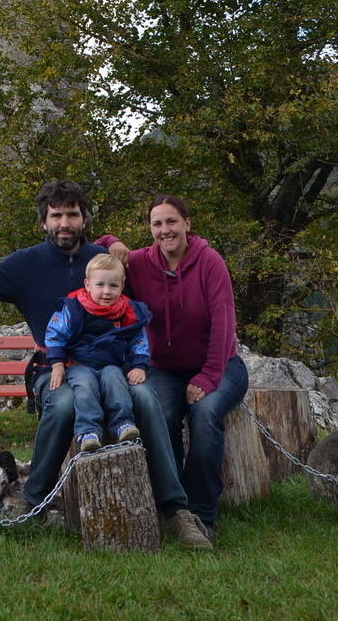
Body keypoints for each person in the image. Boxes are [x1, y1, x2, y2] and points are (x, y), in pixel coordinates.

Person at [0, 178, 211, 546]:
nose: (64, 223)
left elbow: (151, 292)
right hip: (53, 369)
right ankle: (34, 499)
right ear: (44, 221)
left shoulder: (106, 264)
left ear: (84, 219)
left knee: (146, 397)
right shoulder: (25, 265)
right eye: (56, 216)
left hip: (112, 368)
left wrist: (115, 243)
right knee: (64, 403)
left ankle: (174, 509)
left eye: (72, 215)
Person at [101, 193, 249, 541]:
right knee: (161, 417)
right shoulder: (139, 263)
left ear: (187, 224)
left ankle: (203, 512)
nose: (165, 230)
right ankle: (174, 507)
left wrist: (208, 376)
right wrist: (111, 241)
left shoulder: (210, 262)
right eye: (157, 223)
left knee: (205, 414)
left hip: (220, 365)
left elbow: (224, 323)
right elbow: (95, 256)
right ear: (150, 228)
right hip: (165, 368)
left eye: (171, 221)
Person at [45, 253, 149, 451]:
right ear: (87, 284)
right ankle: (88, 431)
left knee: (115, 379)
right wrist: (57, 364)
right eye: (100, 285)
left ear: (122, 286)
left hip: (112, 364)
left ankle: (123, 424)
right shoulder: (74, 308)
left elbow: (139, 339)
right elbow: (55, 334)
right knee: (85, 384)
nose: (106, 291)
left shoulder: (127, 312)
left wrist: (140, 366)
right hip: (79, 364)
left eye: (113, 286)